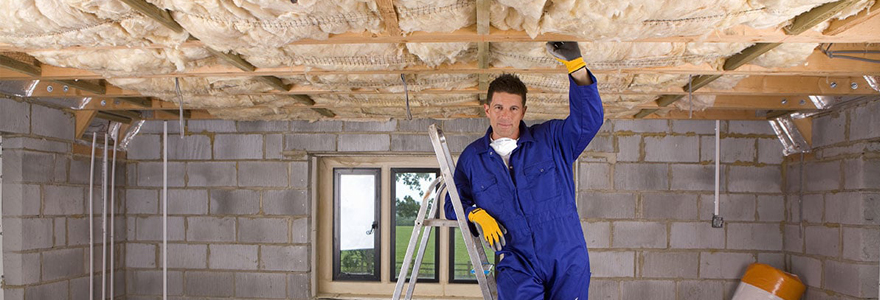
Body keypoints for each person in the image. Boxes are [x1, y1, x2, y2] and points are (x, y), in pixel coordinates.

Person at [444, 41, 603, 299]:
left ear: (523, 111)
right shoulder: (473, 158)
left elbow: (589, 121)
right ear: (487, 110)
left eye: (513, 108)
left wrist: (577, 67)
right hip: (516, 263)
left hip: (566, 258)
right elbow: (452, 201)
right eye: (498, 108)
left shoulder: (552, 140)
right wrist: (475, 214)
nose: (505, 116)